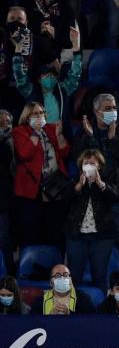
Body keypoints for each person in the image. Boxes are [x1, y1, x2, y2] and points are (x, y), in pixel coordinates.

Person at [74, 93, 119, 273]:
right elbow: (78, 158)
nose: (113, 112)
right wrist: (91, 138)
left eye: (115, 108)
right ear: (96, 110)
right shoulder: (85, 130)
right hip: (93, 194)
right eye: (108, 109)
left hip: (118, 191)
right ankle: (97, 276)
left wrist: (112, 139)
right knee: (95, 236)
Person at [12, 101, 71, 251]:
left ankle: (56, 266)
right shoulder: (20, 131)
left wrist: (59, 136)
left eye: (42, 113)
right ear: (27, 116)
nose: (40, 116)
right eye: (35, 113)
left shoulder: (51, 129)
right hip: (32, 191)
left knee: (56, 230)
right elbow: (25, 154)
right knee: (32, 231)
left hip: (55, 187)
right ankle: (30, 266)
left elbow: (65, 152)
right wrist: (35, 133)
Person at [66, 149, 119, 293]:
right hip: (77, 236)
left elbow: (115, 198)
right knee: (74, 276)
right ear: (81, 165)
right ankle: (74, 309)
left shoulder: (107, 179)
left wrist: (100, 183)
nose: (89, 165)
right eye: (86, 163)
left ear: (99, 166)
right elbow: (65, 199)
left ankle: (100, 311)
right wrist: (79, 186)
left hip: (102, 236)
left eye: (92, 163)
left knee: (100, 275)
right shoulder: (73, 180)